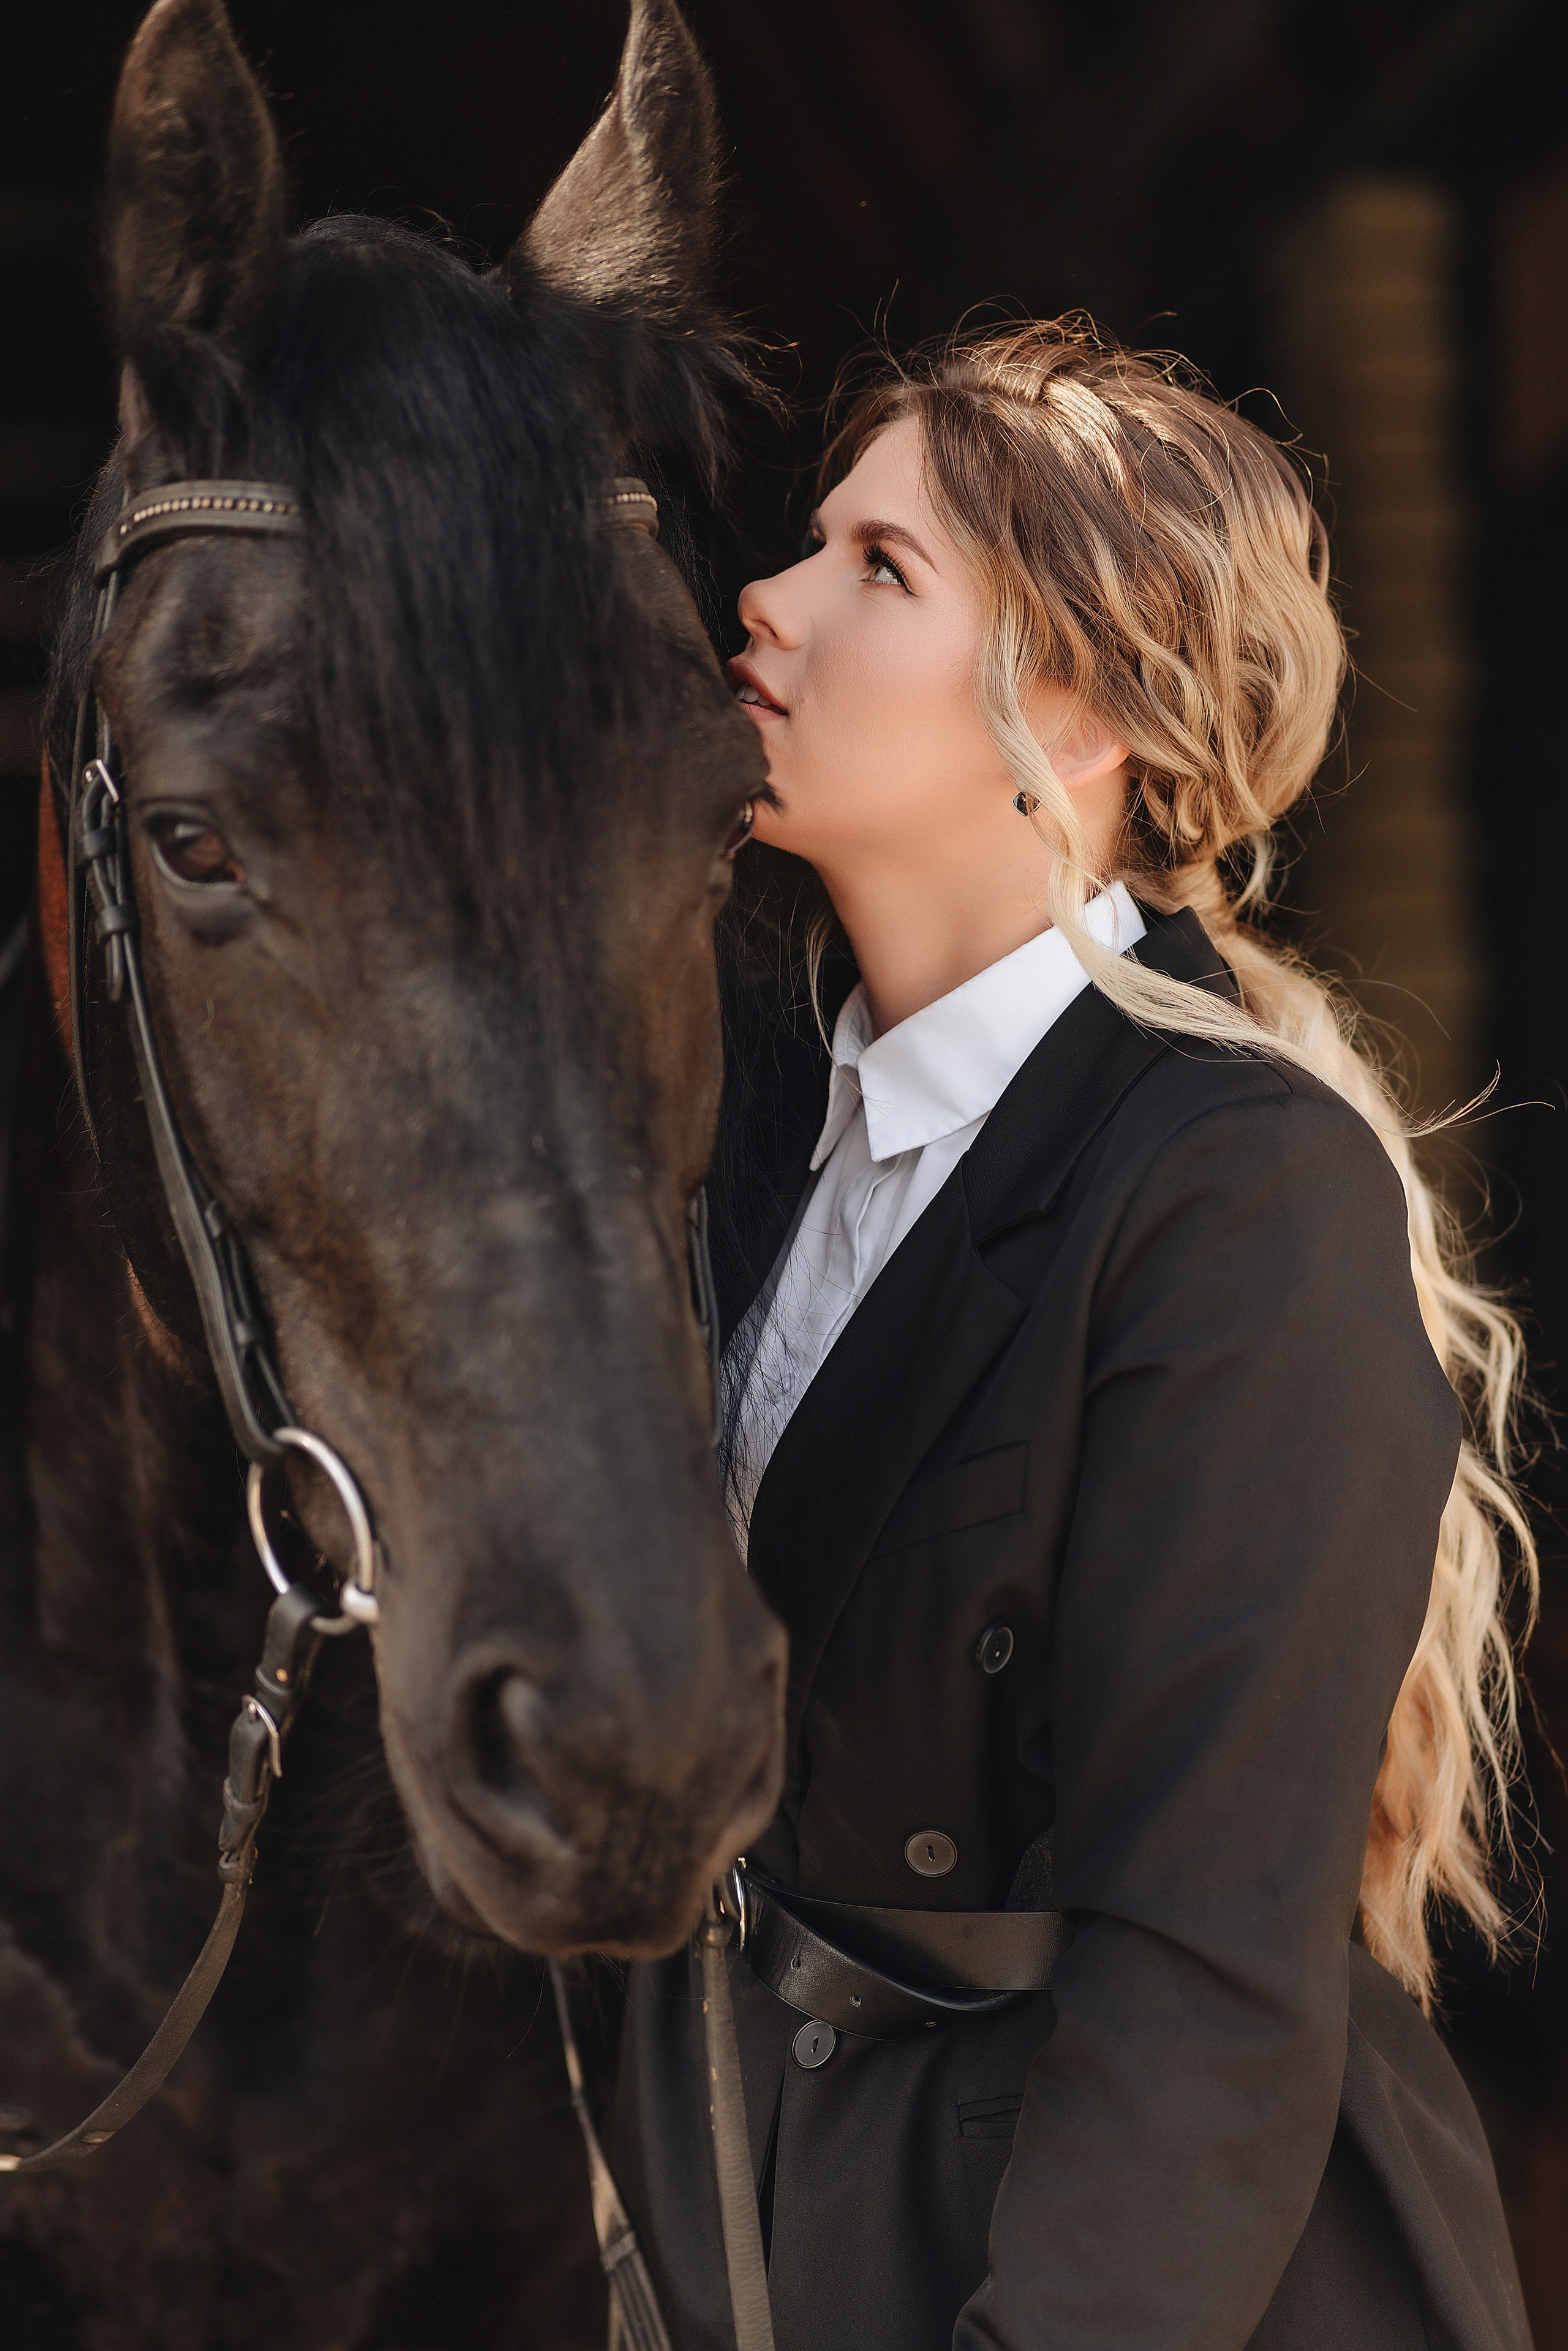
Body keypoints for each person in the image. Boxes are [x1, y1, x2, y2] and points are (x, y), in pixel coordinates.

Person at [608, 321, 1537, 2351]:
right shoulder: (742, 1110)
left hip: (1104, 2262)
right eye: (815, 545)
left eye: (880, 569)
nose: (764, 597)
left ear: (1086, 705)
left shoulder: (1234, 1194)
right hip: (767, 2217)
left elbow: (1207, 1965)